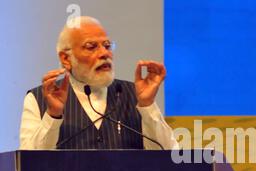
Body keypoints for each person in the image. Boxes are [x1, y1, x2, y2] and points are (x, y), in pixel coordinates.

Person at [20, 16, 178, 150]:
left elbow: (168, 156)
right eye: (91, 47)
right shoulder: (37, 98)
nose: (104, 53)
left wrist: (147, 105)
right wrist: (53, 115)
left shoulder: (134, 93)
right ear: (66, 59)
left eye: (107, 46)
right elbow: (28, 165)